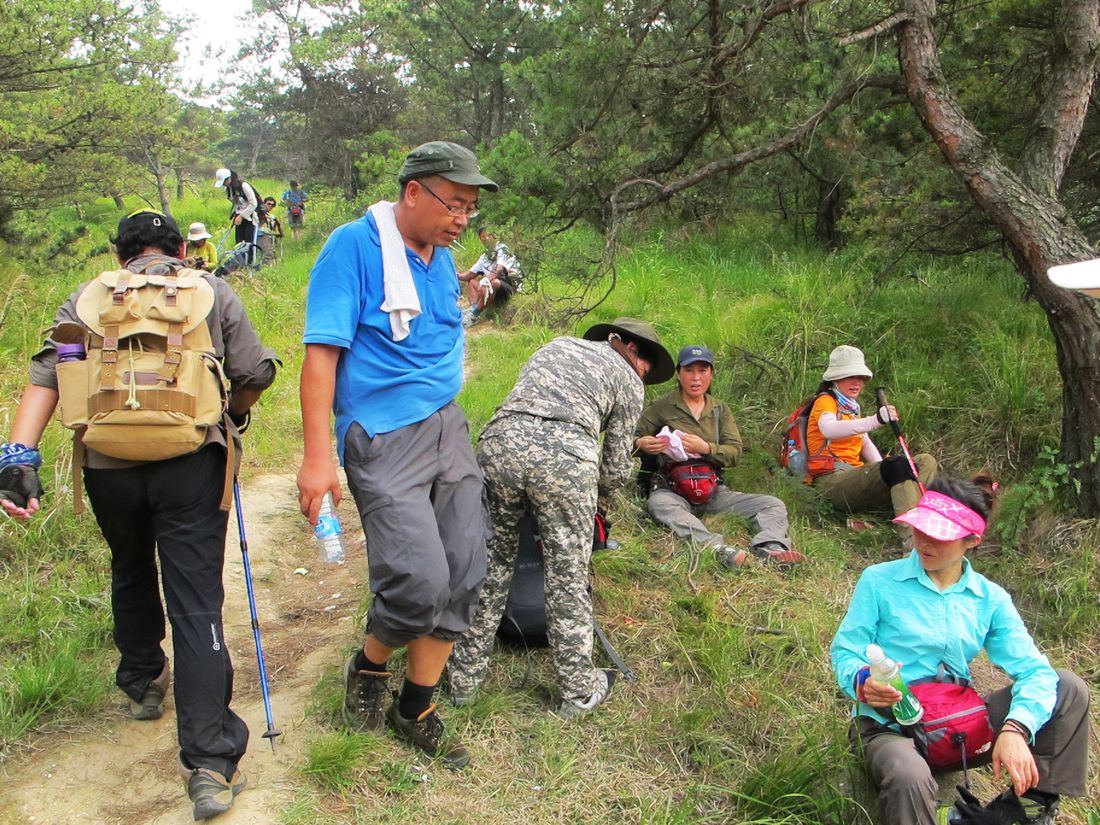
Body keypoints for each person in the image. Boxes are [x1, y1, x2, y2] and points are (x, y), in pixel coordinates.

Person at [0, 210, 279, 820]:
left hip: (107, 463)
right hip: (190, 462)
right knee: (197, 600)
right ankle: (209, 764)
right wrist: (238, 414)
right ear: (181, 248)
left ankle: (141, 681)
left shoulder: (90, 296)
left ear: (118, 252)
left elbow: (51, 370)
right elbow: (254, 372)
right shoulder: (211, 291)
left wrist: (18, 457)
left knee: (128, 564)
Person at [297, 141, 497, 770]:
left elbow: (441, 324)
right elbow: (320, 356)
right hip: (382, 437)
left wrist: (476, 297)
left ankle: (417, 705)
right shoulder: (352, 249)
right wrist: (316, 458)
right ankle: (369, 665)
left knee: (465, 566)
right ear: (414, 192)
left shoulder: (438, 258)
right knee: (418, 580)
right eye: (454, 203)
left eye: (470, 207)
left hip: (447, 426)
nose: (463, 217)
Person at [448, 317, 675, 718]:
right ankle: (578, 689)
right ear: (628, 347)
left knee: (493, 564)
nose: (644, 374)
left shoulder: (557, 346)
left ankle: (463, 680)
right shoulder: (627, 380)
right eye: (646, 365)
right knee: (566, 575)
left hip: (500, 444)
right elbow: (615, 469)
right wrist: (599, 502)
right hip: (565, 457)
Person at [830, 476, 1090, 825]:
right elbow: (846, 651)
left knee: (1068, 687)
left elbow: (1035, 672)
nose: (923, 541)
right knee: (909, 776)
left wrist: (1016, 729)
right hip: (889, 729)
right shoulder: (879, 581)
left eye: (940, 535)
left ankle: (1025, 809)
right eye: (921, 529)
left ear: (972, 540)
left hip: (955, 724)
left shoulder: (990, 598)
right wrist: (863, 681)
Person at [634, 345, 806, 569]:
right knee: (658, 504)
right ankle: (718, 549)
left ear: (711, 374)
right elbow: (631, 438)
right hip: (673, 491)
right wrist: (642, 443)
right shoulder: (662, 407)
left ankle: (771, 547)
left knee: (772, 504)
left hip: (714, 492)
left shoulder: (720, 410)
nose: (696, 378)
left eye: (702, 370)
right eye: (689, 370)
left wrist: (706, 447)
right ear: (679, 374)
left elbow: (735, 453)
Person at [804, 345, 937, 543]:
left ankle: (914, 515)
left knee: (925, 461)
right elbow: (828, 429)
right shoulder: (826, 400)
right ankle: (913, 542)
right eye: (850, 377)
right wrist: (875, 420)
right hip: (832, 480)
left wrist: (886, 468)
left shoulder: (850, 407)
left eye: (861, 378)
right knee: (897, 466)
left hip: (855, 478)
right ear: (834, 378)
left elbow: (864, 442)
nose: (857, 382)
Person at [456, 226, 522, 326]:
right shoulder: (484, 257)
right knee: (472, 282)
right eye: (483, 236)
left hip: (510, 287)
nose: (486, 238)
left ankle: (474, 314)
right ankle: (473, 309)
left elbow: (499, 269)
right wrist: (455, 275)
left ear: (495, 236)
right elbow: (469, 274)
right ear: (480, 239)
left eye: (489, 235)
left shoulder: (503, 249)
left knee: (493, 283)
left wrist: (486, 279)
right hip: (492, 288)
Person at [214, 168, 260, 266]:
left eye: (225, 182)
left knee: (249, 244)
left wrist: (242, 215)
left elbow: (253, 203)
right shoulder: (229, 190)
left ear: (229, 178)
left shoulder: (244, 186)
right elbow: (236, 204)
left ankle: (250, 265)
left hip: (250, 218)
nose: (224, 184)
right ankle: (240, 264)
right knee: (239, 244)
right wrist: (236, 214)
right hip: (239, 218)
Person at [257, 197, 283, 265]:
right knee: (266, 253)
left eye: (272, 205)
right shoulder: (258, 213)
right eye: (268, 204)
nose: (270, 206)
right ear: (264, 203)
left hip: (270, 236)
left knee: (269, 253)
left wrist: (280, 234)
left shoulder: (272, 216)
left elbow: (278, 226)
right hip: (260, 235)